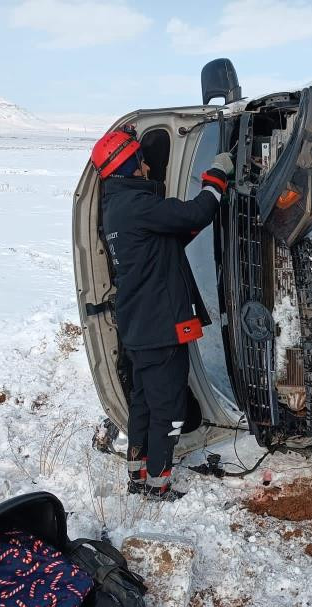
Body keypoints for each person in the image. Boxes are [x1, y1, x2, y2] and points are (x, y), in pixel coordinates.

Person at [91, 127, 233, 500]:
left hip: (139, 326)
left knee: (142, 400)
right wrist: (216, 177)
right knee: (167, 406)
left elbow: (166, 240)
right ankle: (158, 485)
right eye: (141, 159)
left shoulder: (117, 209)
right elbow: (196, 213)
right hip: (162, 328)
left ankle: (138, 475)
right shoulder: (140, 206)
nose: (148, 164)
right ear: (130, 166)